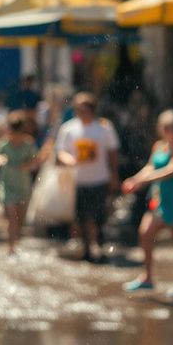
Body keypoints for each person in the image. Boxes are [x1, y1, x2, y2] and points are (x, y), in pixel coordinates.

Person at [55, 92, 120, 263]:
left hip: (99, 179)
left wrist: (114, 175)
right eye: (79, 109)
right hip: (76, 180)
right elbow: (60, 151)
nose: (82, 113)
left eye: (85, 109)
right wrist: (67, 158)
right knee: (81, 215)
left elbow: (113, 152)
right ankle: (86, 247)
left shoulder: (104, 128)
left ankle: (95, 244)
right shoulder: (68, 129)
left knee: (96, 214)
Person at [122, 110, 173, 293]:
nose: (171, 130)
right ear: (161, 128)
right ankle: (148, 277)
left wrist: (145, 181)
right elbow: (150, 167)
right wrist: (135, 180)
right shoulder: (159, 146)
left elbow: (171, 170)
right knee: (145, 232)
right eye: (167, 127)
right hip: (160, 200)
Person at [0, 111, 40, 255]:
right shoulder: (2, 144)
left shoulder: (29, 143)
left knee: (20, 219)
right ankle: (11, 246)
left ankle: (16, 240)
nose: (14, 137)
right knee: (12, 216)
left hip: (23, 186)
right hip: (6, 186)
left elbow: (36, 161)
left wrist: (28, 165)